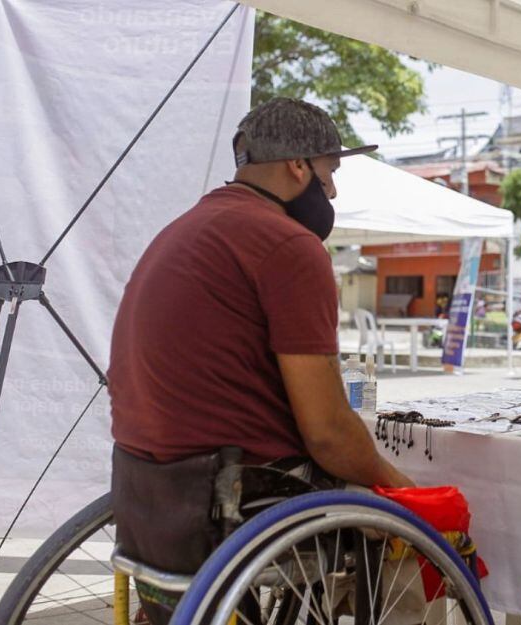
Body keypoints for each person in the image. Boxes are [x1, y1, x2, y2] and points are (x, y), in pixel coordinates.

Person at [109, 99, 414, 621]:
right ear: (299, 165)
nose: (332, 192)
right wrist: (401, 487)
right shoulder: (287, 245)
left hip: (147, 489)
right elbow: (328, 434)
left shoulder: (182, 229)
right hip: (231, 492)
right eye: (330, 172)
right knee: (405, 519)